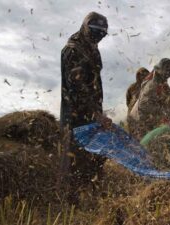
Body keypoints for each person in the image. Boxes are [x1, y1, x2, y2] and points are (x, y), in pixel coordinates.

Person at [59, 11, 112, 200]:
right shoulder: (72, 50)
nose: (98, 39)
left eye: (102, 35)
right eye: (95, 33)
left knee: (96, 156)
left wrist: (98, 112)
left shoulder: (92, 48)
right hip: (75, 116)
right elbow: (77, 89)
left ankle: (94, 194)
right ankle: (72, 203)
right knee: (74, 160)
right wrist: (97, 114)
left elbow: (94, 85)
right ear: (85, 28)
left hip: (92, 113)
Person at [128, 58, 170, 139]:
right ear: (160, 70)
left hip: (148, 118)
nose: (169, 75)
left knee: (163, 137)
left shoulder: (160, 81)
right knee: (145, 147)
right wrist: (162, 111)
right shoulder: (152, 84)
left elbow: (168, 94)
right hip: (138, 120)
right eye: (167, 72)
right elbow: (143, 105)